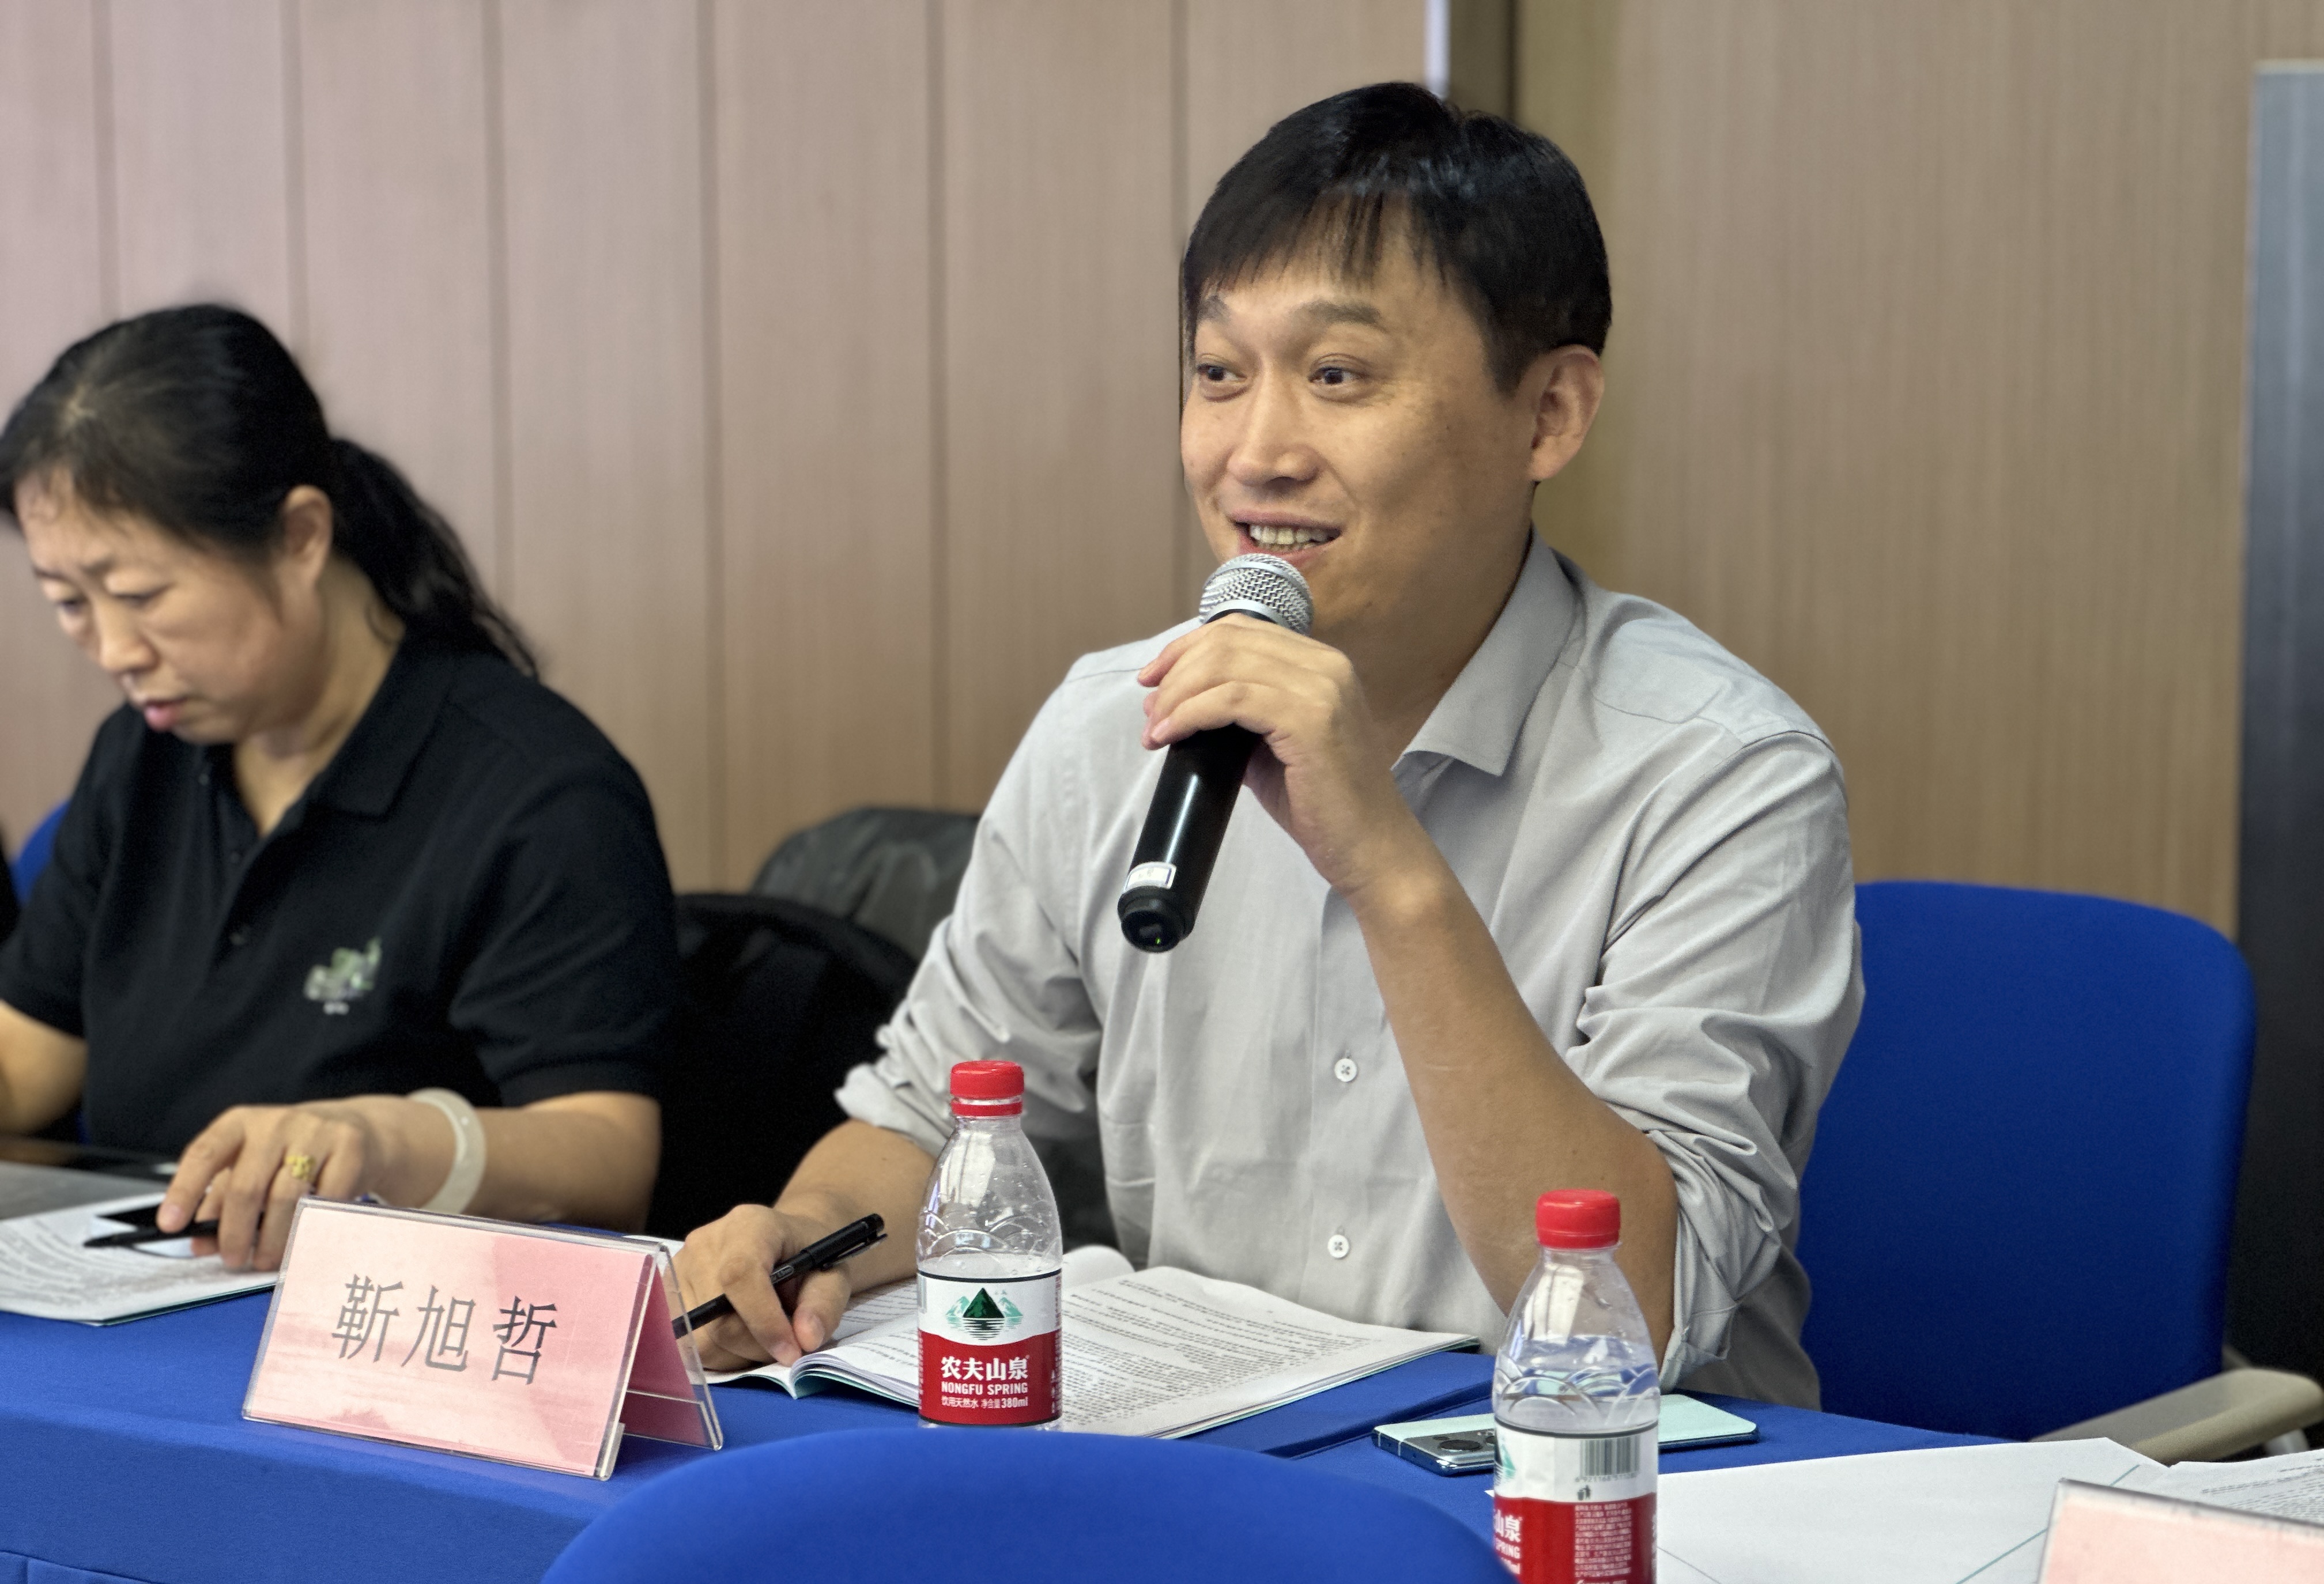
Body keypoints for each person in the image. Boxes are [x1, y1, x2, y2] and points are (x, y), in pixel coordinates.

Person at [679, 84, 1861, 1407]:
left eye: (1338, 376)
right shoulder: (1113, 728)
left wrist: (1390, 871)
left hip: (1594, 1490)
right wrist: (806, 1233)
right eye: (1219, 374)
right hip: (1228, 1479)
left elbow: (1634, 1312)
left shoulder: (1723, 772)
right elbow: (925, 1123)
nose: (1256, 453)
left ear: (1549, 415)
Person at [0, 305, 678, 1269]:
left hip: (392, 1318)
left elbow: (608, 1156)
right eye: (69, 603)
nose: (114, 651)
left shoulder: (538, 792)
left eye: (142, 597)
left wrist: (386, 1139)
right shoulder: (140, 756)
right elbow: (25, 1065)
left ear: (301, 536)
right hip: (143, 1294)